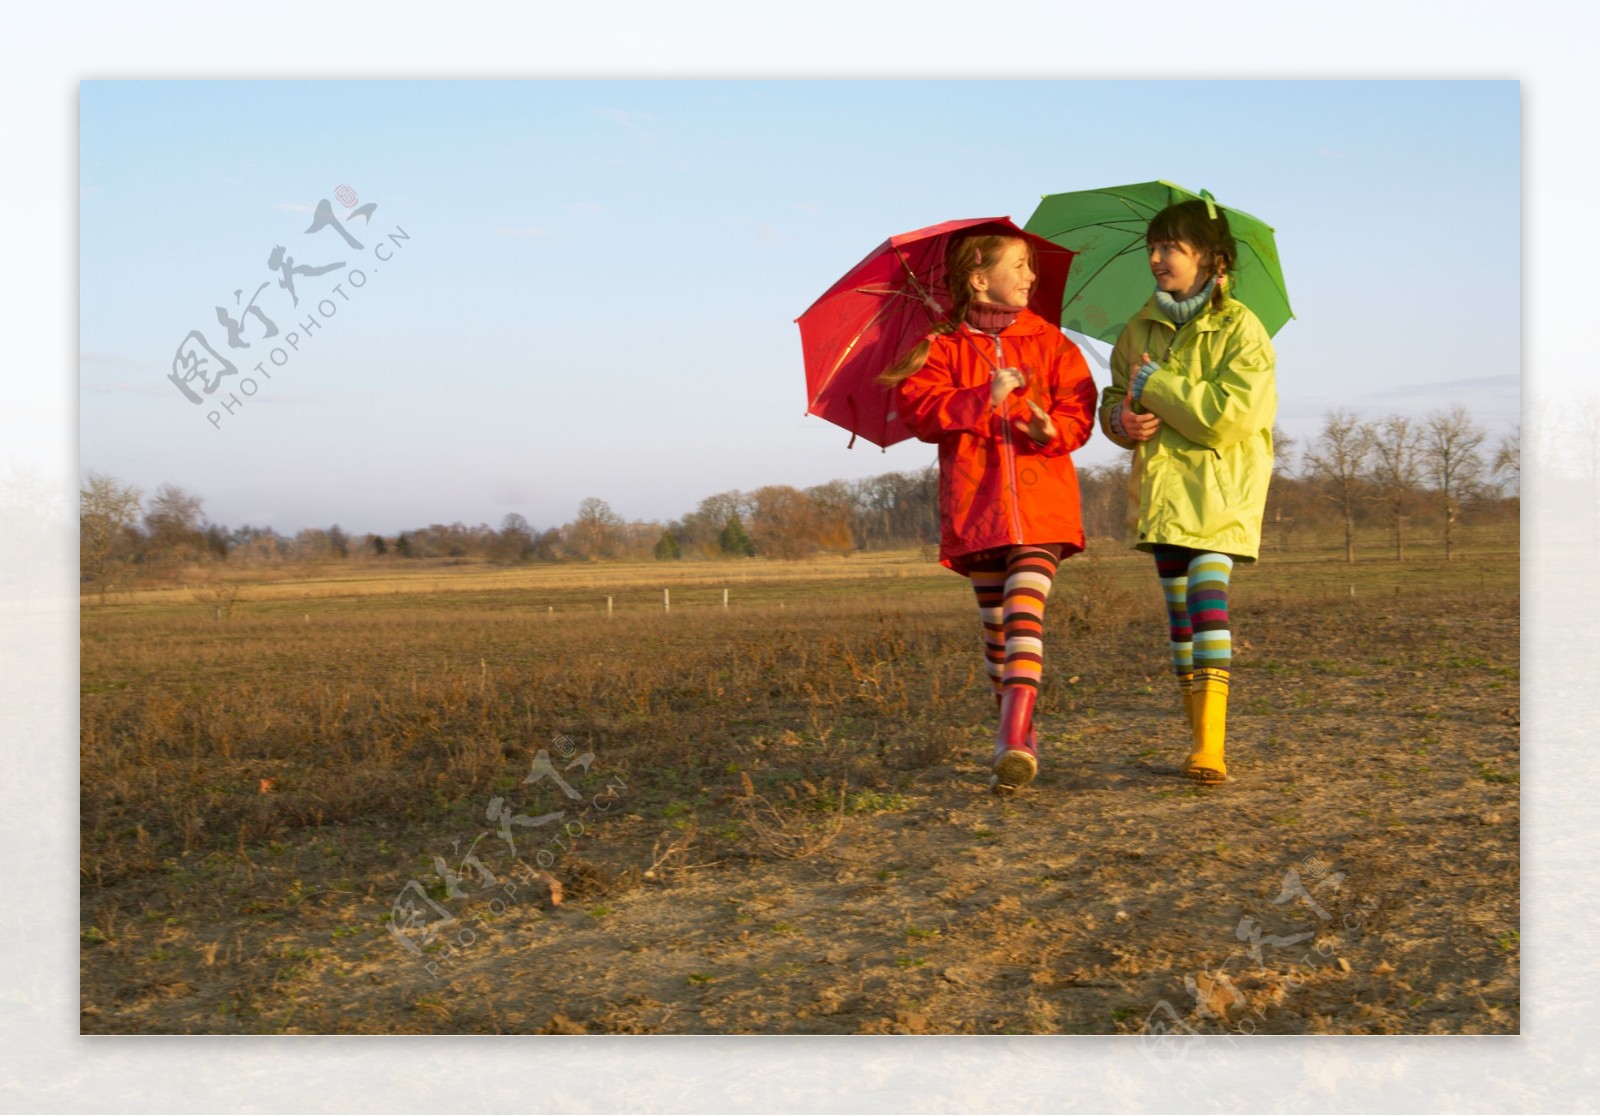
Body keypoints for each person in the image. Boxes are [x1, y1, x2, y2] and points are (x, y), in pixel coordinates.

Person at [879, 232, 1098, 795]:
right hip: (976, 512)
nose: (1030, 277)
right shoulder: (943, 345)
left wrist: (1055, 429)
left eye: (1030, 268)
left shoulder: (1050, 342)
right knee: (998, 631)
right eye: (1019, 267)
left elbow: (1079, 404)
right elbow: (919, 411)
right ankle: (1016, 733)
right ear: (979, 279)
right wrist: (983, 398)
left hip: (1043, 510)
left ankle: (1014, 735)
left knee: (1025, 613)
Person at [1098, 199, 1277, 784]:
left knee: (1206, 603)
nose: (1155, 258)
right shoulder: (1137, 327)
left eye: (1170, 247)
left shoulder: (1242, 329)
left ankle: (1211, 747)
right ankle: (1197, 739)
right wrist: (1123, 420)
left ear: (1211, 258)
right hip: (1161, 494)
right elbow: (1114, 397)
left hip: (1221, 491)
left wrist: (1158, 383)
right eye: (1152, 247)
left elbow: (1230, 416)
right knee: (1179, 619)